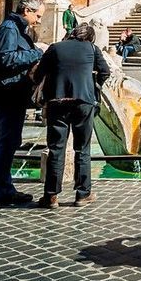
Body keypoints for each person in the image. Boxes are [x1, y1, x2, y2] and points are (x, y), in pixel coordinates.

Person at [0, 0, 45, 205]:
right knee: (7, 142)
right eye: (38, 15)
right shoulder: (10, 28)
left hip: (8, 92)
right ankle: (2, 191)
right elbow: (4, 59)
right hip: (8, 93)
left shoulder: (15, 28)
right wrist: (37, 52)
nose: (39, 20)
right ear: (27, 10)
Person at [36, 23, 110, 209]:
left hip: (57, 102)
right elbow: (105, 72)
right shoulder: (92, 49)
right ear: (90, 37)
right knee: (82, 149)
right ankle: (82, 194)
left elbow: (39, 74)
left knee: (56, 148)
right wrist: (92, 86)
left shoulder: (55, 47)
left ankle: (51, 196)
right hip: (83, 102)